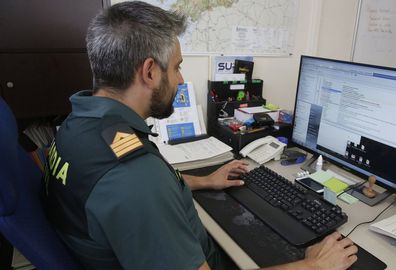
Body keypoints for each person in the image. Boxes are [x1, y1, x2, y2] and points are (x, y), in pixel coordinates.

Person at [44, 1, 358, 269]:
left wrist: (204, 181)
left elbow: (131, 193)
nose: (181, 80)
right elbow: (138, 190)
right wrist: (312, 266)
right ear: (150, 72)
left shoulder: (79, 124)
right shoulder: (134, 178)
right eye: (177, 68)